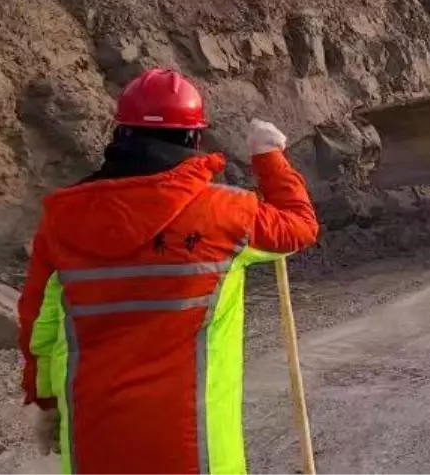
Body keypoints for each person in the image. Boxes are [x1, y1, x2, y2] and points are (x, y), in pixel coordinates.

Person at [17, 68, 320, 475]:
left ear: (120, 133)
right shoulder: (229, 214)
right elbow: (299, 226)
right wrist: (269, 159)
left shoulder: (65, 219)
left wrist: (47, 399)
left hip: (96, 437)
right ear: (194, 137)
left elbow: (41, 319)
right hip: (196, 447)